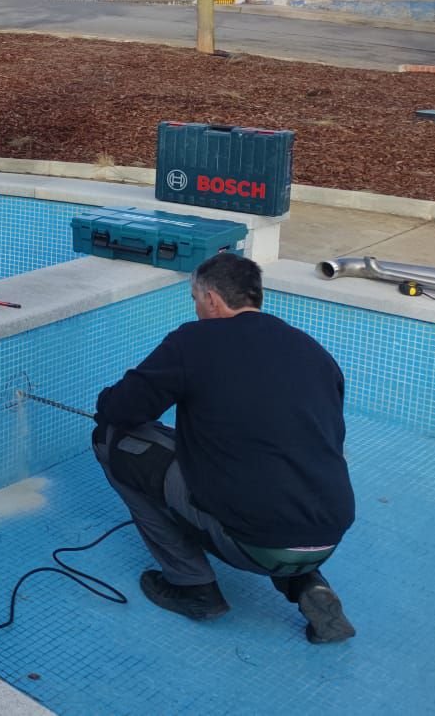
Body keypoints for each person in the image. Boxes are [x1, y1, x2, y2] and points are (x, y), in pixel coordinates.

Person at [93, 251, 356, 643]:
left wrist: (105, 403)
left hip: (253, 538)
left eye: (196, 300)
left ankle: (192, 586)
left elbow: (122, 409)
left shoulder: (194, 342)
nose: (196, 309)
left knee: (111, 440)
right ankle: (308, 584)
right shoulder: (312, 351)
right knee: (278, 479)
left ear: (212, 299)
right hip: (328, 532)